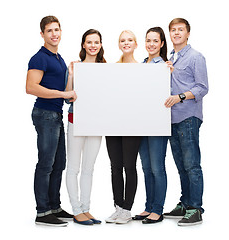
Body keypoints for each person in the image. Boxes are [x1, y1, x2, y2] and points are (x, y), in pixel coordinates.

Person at [26, 15, 77, 227]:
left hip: (56, 115)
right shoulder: (39, 57)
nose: (54, 34)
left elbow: (65, 92)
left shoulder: (59, 58)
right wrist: (63, 94)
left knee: (59, 163)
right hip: (45, 114)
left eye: (57, 30)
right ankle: (43, 212)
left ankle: (54, 206)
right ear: (42, 34)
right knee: (46, 164)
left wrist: (71, 76)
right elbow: (31, 87)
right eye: (49, 31)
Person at [164, 18, 208, 226]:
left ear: (188, 33)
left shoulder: (195, 57)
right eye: (173, 30)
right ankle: (185, 202)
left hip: (188, 116)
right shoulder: (171, 58)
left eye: (180, 30)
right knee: (181, 165)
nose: (176, 33)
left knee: (192, 165)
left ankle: (195, 208)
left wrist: (181, 96)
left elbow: (202, 87)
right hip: (171, 119)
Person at [65, 29, 106, 225]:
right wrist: (71, 75)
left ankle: (86, 208)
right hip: (77, 120)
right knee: (73, 167)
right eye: (89, 42)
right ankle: (76, 210)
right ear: (83, 45)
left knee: (89, 168)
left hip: (96, 123)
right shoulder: (76, 66)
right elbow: (67, 97)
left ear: (100, 45)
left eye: (96, 42)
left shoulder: (105, 68)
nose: (92, 45)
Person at [132, 27, 172, 224]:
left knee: (157, 168)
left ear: (162, 44)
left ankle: (158, 209)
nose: (151, 44)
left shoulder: (164, 66)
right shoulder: (141, 65)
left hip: (157, 123)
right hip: (142, 123)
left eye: (155, 41)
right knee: (146, 168)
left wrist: (168, 72)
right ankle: (148, 207)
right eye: (148, 40)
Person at [105, 30, 142, 224]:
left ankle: (127, 209)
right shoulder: (112, 69)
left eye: (130, 40)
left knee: (129, 166)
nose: (126, 43)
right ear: (119, 45)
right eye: (122, 40)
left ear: (136, 44)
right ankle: (118, 207)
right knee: (115, 167)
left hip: (132, 125)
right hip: (112, 124)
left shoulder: (143, 69)